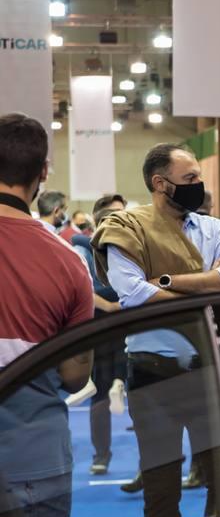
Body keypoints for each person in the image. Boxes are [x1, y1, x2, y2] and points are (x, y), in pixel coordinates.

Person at [92, 143, 220, 517]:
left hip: (209, 368)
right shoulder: (127, 228)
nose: (199, 184)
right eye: (189, 178)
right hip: (151, 374)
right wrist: (206, 288)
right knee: (161, 489)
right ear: (161, 184)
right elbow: (132, 294)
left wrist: (164, 281)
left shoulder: (214, 228)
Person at [0, 113, 94, 517]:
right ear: (42, 174)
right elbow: (76, 376)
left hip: (33, 462)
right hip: (34, 460)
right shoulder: (68, 259)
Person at [70, 202, 125, 474]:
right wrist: (114, 307)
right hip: (108, 320)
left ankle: (108, 458)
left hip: (125, 322)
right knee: (103, 391)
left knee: (116, 391)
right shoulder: (84, 248)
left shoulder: (131, 248)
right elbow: (81, 290)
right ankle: (101, 455)